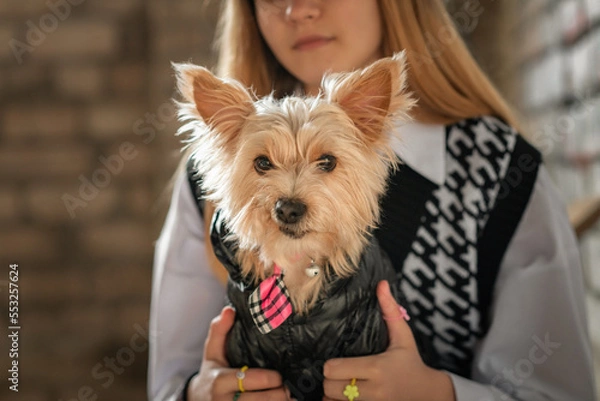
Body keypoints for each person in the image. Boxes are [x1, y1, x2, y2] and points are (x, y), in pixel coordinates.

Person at [148, 1, 597, 400]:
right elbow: (168, 383)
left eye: (327, 162)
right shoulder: (205, 181)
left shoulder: (503, 174)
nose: (298, 9)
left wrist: (439, 394)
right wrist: (198, 392)